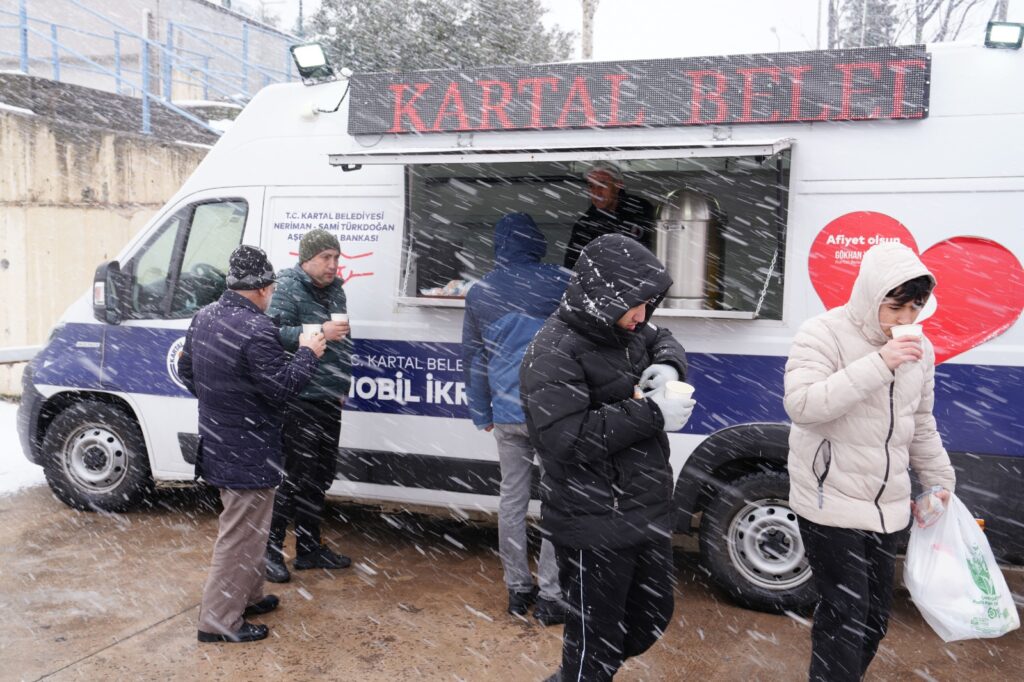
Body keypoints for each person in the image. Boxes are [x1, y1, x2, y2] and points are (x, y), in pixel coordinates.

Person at [521, 233, 695, 681]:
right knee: (593, 648)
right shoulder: (552, 351)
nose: (642, 315)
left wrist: (670, 365)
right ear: (602, 298)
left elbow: (663, 336)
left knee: (651, 616)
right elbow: (565, 438)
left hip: (644, 509)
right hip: (592, 517)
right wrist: (650, 411)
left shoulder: (628, 329)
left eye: (648, 302)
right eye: (634, 304)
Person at [784, 242, 956, 681]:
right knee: (844, 615)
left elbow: (921, 420)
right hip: (830, 498)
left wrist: (939, 482)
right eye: (895, 309)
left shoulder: (923, 349)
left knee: (875, 619)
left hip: (888, 506)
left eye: (914, 310)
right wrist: (880, 363)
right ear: (871, 296)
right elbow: (803, 405)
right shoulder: (821, 333)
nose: (905, 321)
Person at [178, 245, 325, 643]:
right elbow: (282, 389)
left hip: (220, 438)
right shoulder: (258, 329)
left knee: (251, 528)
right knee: (240, 534)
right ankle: (218, 622)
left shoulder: (204, 316)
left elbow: (185, 368)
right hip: (250, 446)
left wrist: (222, 402)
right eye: (272, 288)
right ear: (263, 288)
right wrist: (309, 353)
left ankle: (249, 595)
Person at [462, 212, 571, 625]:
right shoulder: (561, 279)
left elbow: (473, 357)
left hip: (506, 413)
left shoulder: (480, 292)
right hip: (551, 412)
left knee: (512, 499)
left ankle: (516, 589)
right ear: (538, 243)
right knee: (555, 502)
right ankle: (550, 595)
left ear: (499, 247)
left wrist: (480, 410)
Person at [265, 229, 354, 583]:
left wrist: (341, 383)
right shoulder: (287, 286)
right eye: (326, 258)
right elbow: (272, 333)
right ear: (307, 259)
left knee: (319, 476)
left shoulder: (336, 288)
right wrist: (319, 329)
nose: (333, 264)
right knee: (291, 477)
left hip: (328, 397)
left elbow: (343, 338)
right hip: (298, 397)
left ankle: (308, 549)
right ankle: (269, 552)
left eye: (336, 257)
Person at [562, 161, 656, 270]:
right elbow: (572, 267)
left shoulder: (641, 209)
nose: (596, 192)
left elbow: (660, 250)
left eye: (602, 184)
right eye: (591, 186)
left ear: (618, 185)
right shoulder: (585, 225)